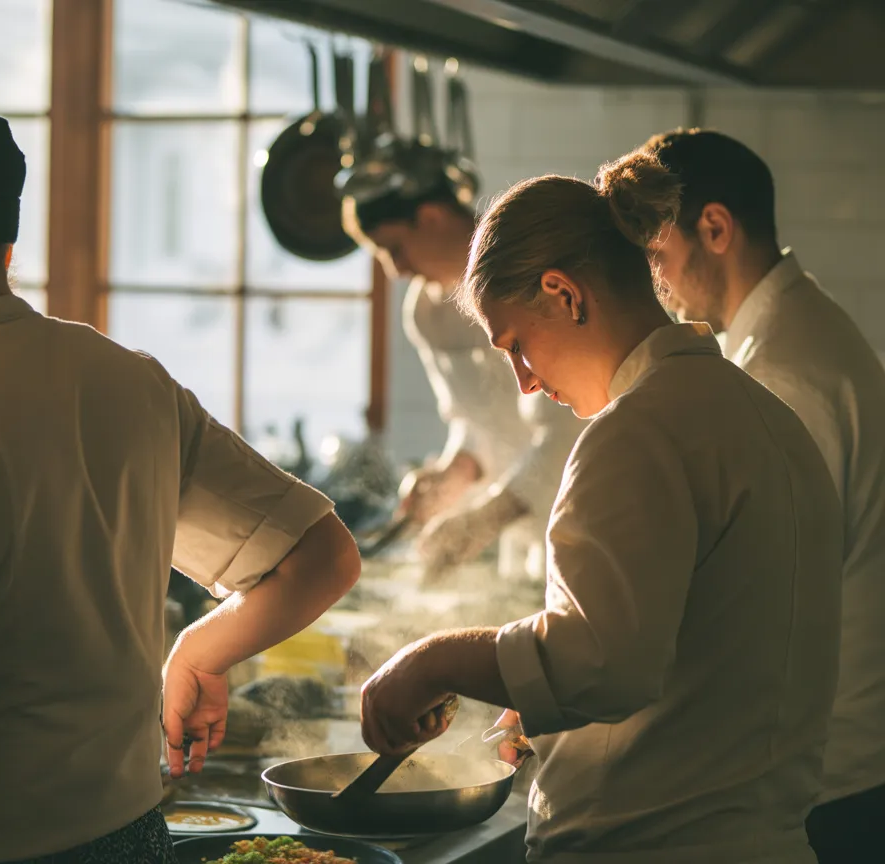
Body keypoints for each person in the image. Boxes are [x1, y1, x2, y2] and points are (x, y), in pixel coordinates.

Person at [0, 99, 360, 864]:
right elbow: (326, 557)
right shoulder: (133, 383)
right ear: (7, 248)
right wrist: (200, 650)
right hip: (129, 835)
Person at [358, 151, 843, 863]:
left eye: (517, 346)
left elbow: (603, 666)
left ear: (564, 292)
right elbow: (699, 648)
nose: (524, 383)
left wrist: (433, 660)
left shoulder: (636, 433)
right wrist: (556, 714)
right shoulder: (764, 417)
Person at [641, 127, 885, 864]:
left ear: (714, 228)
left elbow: (765, 593)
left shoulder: (785, 371)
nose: (657, 282)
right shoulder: (791, 331)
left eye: (658, 255)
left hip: (835, 773)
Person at [341, 142, 585, 579]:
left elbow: (570, 431)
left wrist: (488, 517)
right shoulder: (427, 314)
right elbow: (476, 422)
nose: (395, 270)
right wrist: (455, 472)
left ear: (431, 217)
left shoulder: (533, 275)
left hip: (585, 518)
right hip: (527, 543)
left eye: (394, 248)